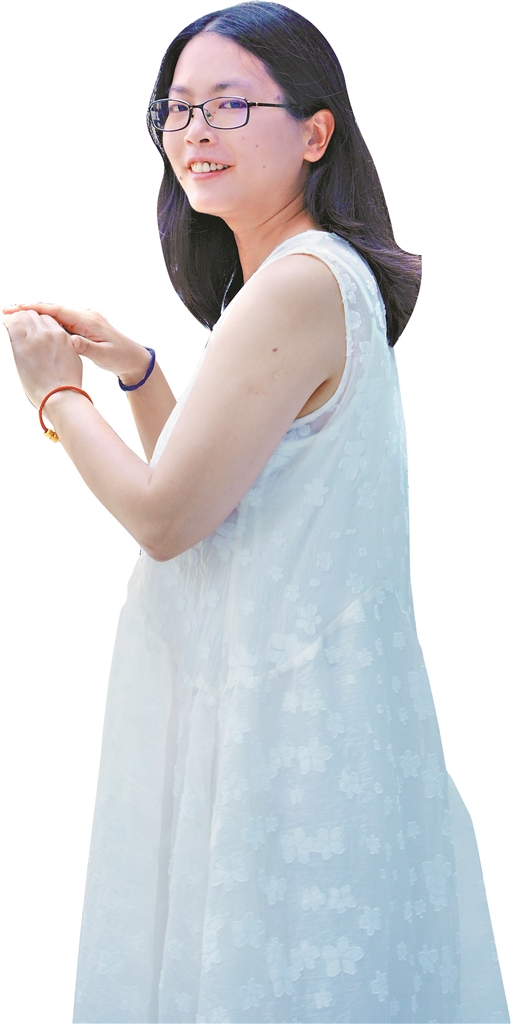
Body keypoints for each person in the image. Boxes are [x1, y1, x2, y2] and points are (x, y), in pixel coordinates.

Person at [3, 3, 508, 1022]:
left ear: (315, 132)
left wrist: (55, 395)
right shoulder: (306, 275)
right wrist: (139, 372)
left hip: (284, 737)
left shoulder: (296, 282)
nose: (194, 131)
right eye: (177, 108)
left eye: (229, 104)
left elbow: (165, 520)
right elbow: (221, 498)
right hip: (312, 719)